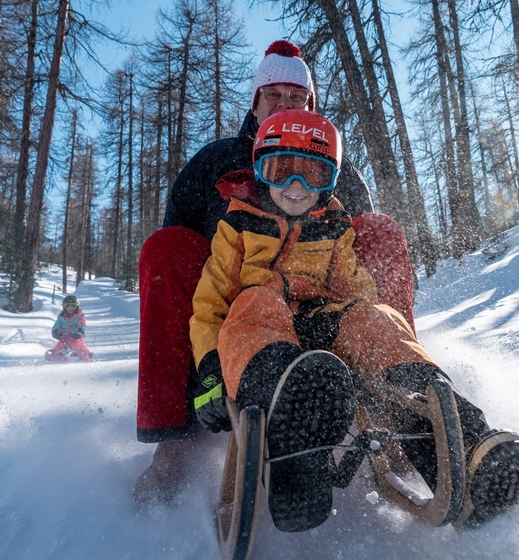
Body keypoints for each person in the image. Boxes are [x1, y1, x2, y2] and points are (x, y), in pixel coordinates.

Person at [189, 110, 519, 532]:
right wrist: (211, 369)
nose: (296, 187)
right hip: (262, 336)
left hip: (321, 327)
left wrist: (365, 334)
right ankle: (294, 435)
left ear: (331, 179)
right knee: (254, 302)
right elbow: (210, 305)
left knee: (376, 318)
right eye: (282, 170)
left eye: (312, 174)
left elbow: (356, 290)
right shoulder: (238, 224)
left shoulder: (334, 227)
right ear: (260, 171)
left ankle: (471, 449)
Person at [134, 40, 415, 504]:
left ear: (312, 103)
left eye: (296, 97)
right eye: (274, 95)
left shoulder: (338, 170)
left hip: (326, 305)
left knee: (381, 229)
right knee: (165, 248)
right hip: (239, 308)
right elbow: (177, 244)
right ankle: (175, 437)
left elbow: (355, 248)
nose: (285, 105)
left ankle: (399, 405)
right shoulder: (217, 160)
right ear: (255, 102)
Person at [47, 295, 91, 361]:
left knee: (81, 348)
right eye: (67, 306)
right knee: (54, 350)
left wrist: (80, 332)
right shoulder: (61, 318)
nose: (70, 308)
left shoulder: (80, 317)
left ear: (77, 306)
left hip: (76, 339)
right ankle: (60, 358)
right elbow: (56, 326)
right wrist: (55, 332)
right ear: (64, 306)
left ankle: (85, 356)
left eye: (73, 305)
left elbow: (82, 325)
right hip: (64, 339)